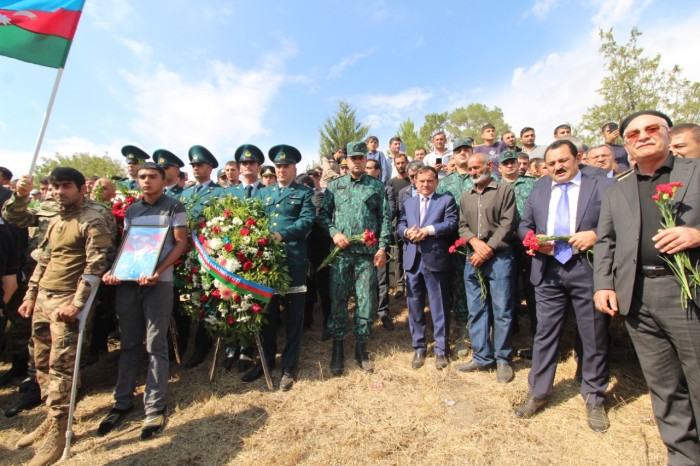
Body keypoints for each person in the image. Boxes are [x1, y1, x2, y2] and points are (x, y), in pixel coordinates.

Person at [594, 110, 700, 465]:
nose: (643, 136)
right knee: (664, 384)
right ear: (626, 144)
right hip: (637, 296)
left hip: (686, 292)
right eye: (633, 133)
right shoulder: (618, 188)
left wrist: (697, 235)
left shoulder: (695, 171)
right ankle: (682, 455)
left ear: (668, 134)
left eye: (651, 128)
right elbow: (606, 241)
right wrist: (603, 285)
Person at [14, 168, 114, 465]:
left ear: (82, 188)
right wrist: (31, 295)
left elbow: (96, 266)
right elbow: (45, 258)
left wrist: (78, 304)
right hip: (44, 298)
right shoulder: (56, 218)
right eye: (55, 186)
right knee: (41, 362)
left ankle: (59, 433)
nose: (59, 192)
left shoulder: (92, 219)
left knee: (62, 367)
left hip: (67, 302)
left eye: (66, 186)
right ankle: (50, 416)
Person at [514, 139, 614, 432]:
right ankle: (538, 392)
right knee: (545, 333)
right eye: (551, 163)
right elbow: (524, 224)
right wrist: (532, 241)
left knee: (593, 334)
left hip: (588, 268)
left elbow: (619, 221)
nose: (557, 167)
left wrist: (595, 234)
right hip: (548, 271)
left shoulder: (601, 186)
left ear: (577, 158)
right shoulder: (540, 188)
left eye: (563, 161)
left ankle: (594, 397)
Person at [98, 162, 187, 440]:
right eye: (142, 177)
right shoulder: (132, 210)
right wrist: (114, 271)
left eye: (152, 177)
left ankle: (154, 406)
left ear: (163, 180)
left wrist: (157, 271)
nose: (146, 181)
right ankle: (122, 402)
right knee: (128, 343)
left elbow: (181, 243)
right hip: (128, 282)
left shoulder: (175, 207)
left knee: (155, 343)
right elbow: (127, 243)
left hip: (157, 283)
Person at [242, 145, 315, 390]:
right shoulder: (264, 193)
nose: (282, 170)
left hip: (292, 260)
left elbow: (306, 221)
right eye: (279, 166)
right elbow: (254, 220)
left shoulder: (304, 192)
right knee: (267, 313)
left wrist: (281, 235)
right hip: (267, 264)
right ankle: (266, 360)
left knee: (294, 315)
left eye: (287, 166)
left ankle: (289, 365)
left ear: (295, 168)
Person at [319, 141, 392, 376]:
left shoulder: (376, 186)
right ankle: (338, 347)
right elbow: (323, 216)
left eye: (361, 157)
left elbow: (385, 220)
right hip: (341, 254)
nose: (357, 161)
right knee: (338, 300)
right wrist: (335, 233)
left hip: (366, 255)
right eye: (353, 158)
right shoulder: (334, 186)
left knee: (365, 300)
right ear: (346, 160)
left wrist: (382, 248)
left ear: (365, 159)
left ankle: (361, 347)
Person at [454, 152, 517, 383]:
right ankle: (482, 357)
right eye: (470, 169)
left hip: (499, 258)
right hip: (473, 259)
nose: (473, 172)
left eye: (477, 167)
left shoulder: (504, 191)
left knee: (502, 309)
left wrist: (487, 248)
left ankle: (502, 360)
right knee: (476, 309)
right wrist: (475, 244)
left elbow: (507, 225)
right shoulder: (466, 196)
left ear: (489, 166)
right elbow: (462, 226)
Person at [397, 166, 457, 369]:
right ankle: (419, 348)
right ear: (414, 181)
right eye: (421, 180)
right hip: (413, 260)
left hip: (435, 261)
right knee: (414, 306)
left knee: (438, 306)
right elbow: (401, 224)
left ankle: (441, 349)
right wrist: (407, 232)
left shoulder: (445, 200)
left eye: (430, 180)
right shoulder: (408, 203)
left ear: (436, 182)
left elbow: (451, 224)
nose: (425, 184)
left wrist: (427, 231)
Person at [179, 145, 223, 367]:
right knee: (188, 299)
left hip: (207, 254)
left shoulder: (219, 192)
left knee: (207, 299)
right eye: (193, 165)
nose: (196, 168)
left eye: (200, 164)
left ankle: (203, 346)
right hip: (183, 255)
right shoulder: (184, 194)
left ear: (211, 167)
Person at [436, 138, 474, 357]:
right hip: (452, 243)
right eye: (458, 150)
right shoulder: (445, 184)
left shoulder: (482, 177)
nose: (462, 153)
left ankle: (480, 332)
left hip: (478, 242)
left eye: (466, 150)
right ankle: (462, 331)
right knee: (458, 287)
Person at [365, 159, 397, 330]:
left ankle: (383, 312)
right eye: (366, 168)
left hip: (380, 239)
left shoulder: (387, 189)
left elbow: (390, 212)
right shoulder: (360, 188)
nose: (367, 170)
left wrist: (377, 232)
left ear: (378, 171)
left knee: (381, 279)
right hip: (362, 241)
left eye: (370, 168)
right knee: (365, 280)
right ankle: (366, 313)